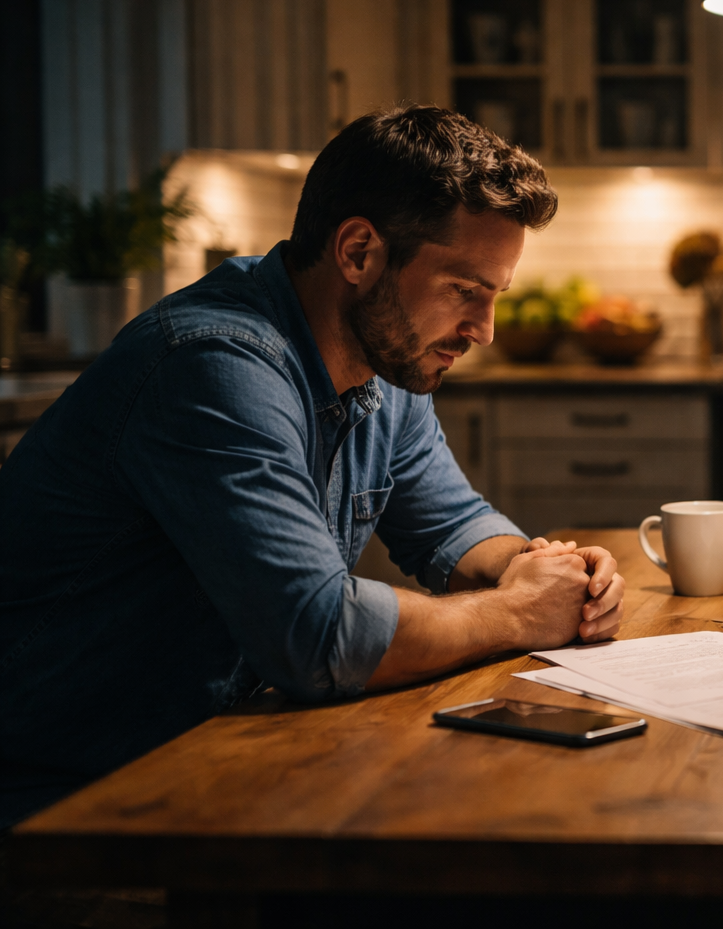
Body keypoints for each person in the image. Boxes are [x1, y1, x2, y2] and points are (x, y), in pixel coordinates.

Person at [0, 106, 625, 831]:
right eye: (465, 290)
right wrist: (518, 611)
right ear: (359, 253)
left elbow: (452, 525)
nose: (483, 330)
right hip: (68, 805)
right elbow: (317, 634)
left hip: (218, 758)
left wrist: (544, 568)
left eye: (495, 297)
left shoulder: (385, 366)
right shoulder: (212, 366)